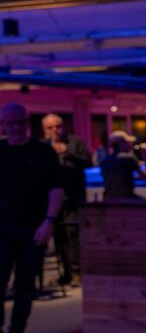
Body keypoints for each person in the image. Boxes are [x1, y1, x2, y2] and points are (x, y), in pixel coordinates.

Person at [0, 103, 63, 333]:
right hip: (2, 228)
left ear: (27, 123)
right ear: (4, 125)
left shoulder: (43, 152)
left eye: (21, 123)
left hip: (33, 228)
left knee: (26, 286)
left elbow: (56, 189)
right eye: (11, 123)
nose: (16, 128)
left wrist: (49, 221)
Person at [41, 113, 91, 284]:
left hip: (73, 197)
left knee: (73, 235)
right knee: (59, 236)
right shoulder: (43, 146)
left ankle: (77, 271)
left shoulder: (75, 142)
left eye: (58, 126)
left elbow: (88, 162)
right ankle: (66, 271)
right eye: (50, 128)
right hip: (52, 200)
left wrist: (68, 152)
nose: (55, 130)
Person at [100, 130, 141, 200]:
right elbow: (143, 176)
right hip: (126, 199)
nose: (129, 145)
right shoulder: (129, 158)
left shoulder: (105, 161)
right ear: (121, 144)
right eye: (127, 142)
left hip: (108, 199)